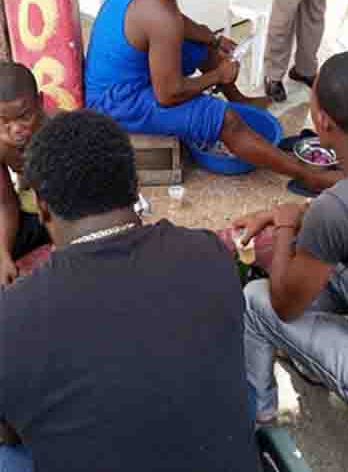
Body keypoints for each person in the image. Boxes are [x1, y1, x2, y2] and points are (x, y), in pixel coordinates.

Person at [0, 110, 258, 471]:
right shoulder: (208, 253)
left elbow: (10, 432)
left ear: (43, 208)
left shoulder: (12, 318)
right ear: (135, 186)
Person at [84, 0, 341, 193]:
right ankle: (307, 174)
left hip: (125, 78)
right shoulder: (158, 9)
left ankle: (239, 99)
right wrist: (218, 75)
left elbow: (174, 22)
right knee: (224, 119)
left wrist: (211, 37)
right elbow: (168, 94)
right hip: (115, 105)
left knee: (204, 46)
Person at [236, 53, 348, 425]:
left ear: (322, 121)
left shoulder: (336, 206)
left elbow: (283, 305)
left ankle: (260, 413)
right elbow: (340, 208)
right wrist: (286, 214)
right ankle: (311, 356)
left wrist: (284, 227)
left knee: (255, 302)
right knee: (322, 254)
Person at [0, 64, 53, 286]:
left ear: (40, 102)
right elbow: (5, 204)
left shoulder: (58, 134)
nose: (15, 130)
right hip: (34, 214)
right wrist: (3, 256)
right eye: (3, 120)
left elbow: (72, 205)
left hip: (69, 212)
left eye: (24, 117)